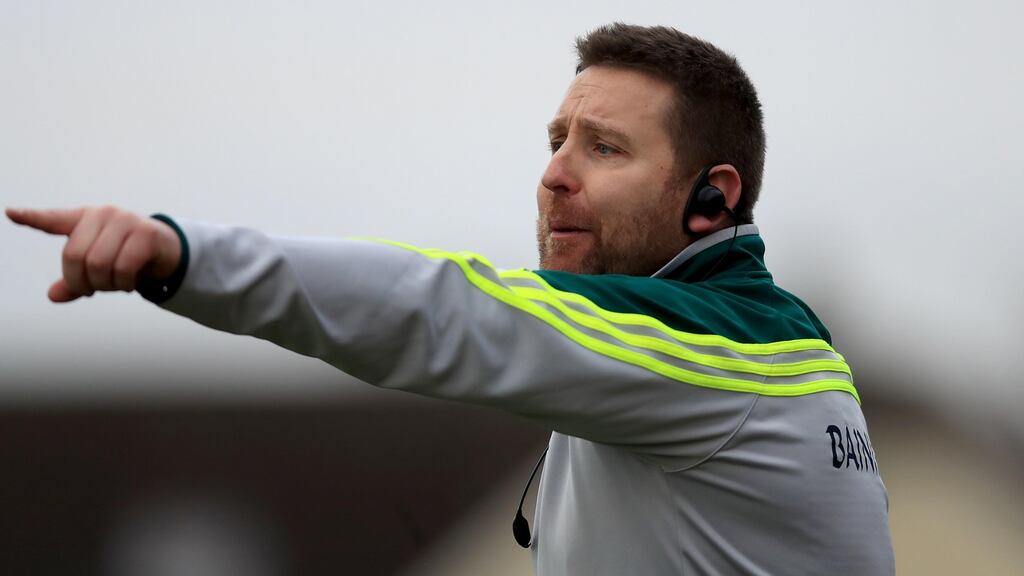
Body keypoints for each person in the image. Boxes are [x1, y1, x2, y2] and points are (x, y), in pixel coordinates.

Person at [7, 23, 894, 575]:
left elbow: (447, 310)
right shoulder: (775, 350)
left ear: (712, 199)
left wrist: (185, 256)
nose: (554, 175)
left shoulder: (721, 352)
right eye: (556, 140)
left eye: (604, 149)